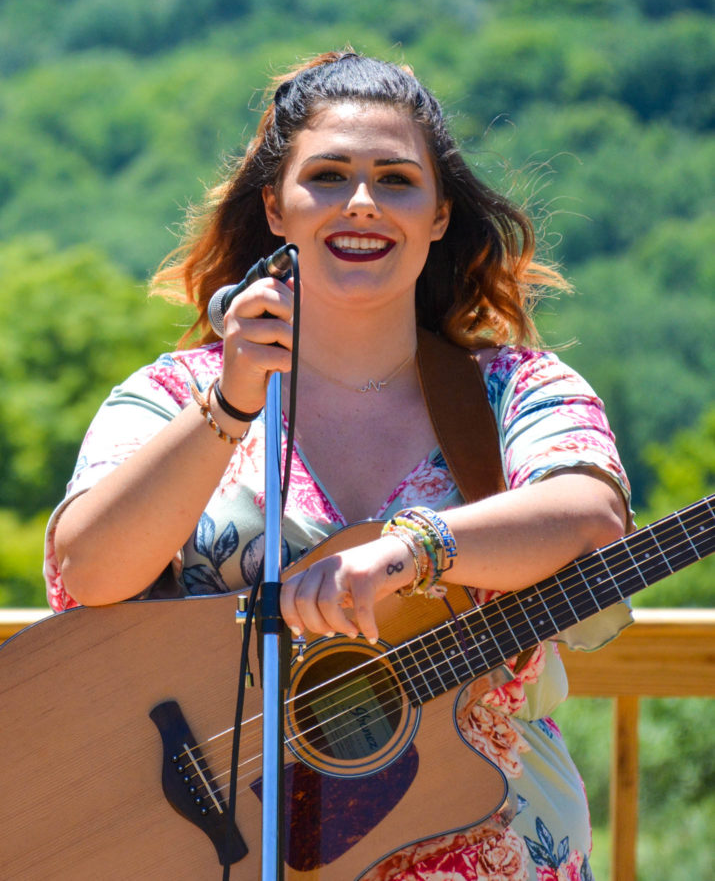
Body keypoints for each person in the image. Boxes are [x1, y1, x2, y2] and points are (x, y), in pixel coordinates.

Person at [45, 50, 632, 880]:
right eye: (326, 176)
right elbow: (87, 570)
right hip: (229, 854)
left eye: (396, 180)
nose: (361, 203)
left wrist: (412, 547)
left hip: (497, 844)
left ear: (436, 217)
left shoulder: (514, 389)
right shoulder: (172, 393)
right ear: (276, 210)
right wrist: (233, 402)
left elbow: (588, 514)